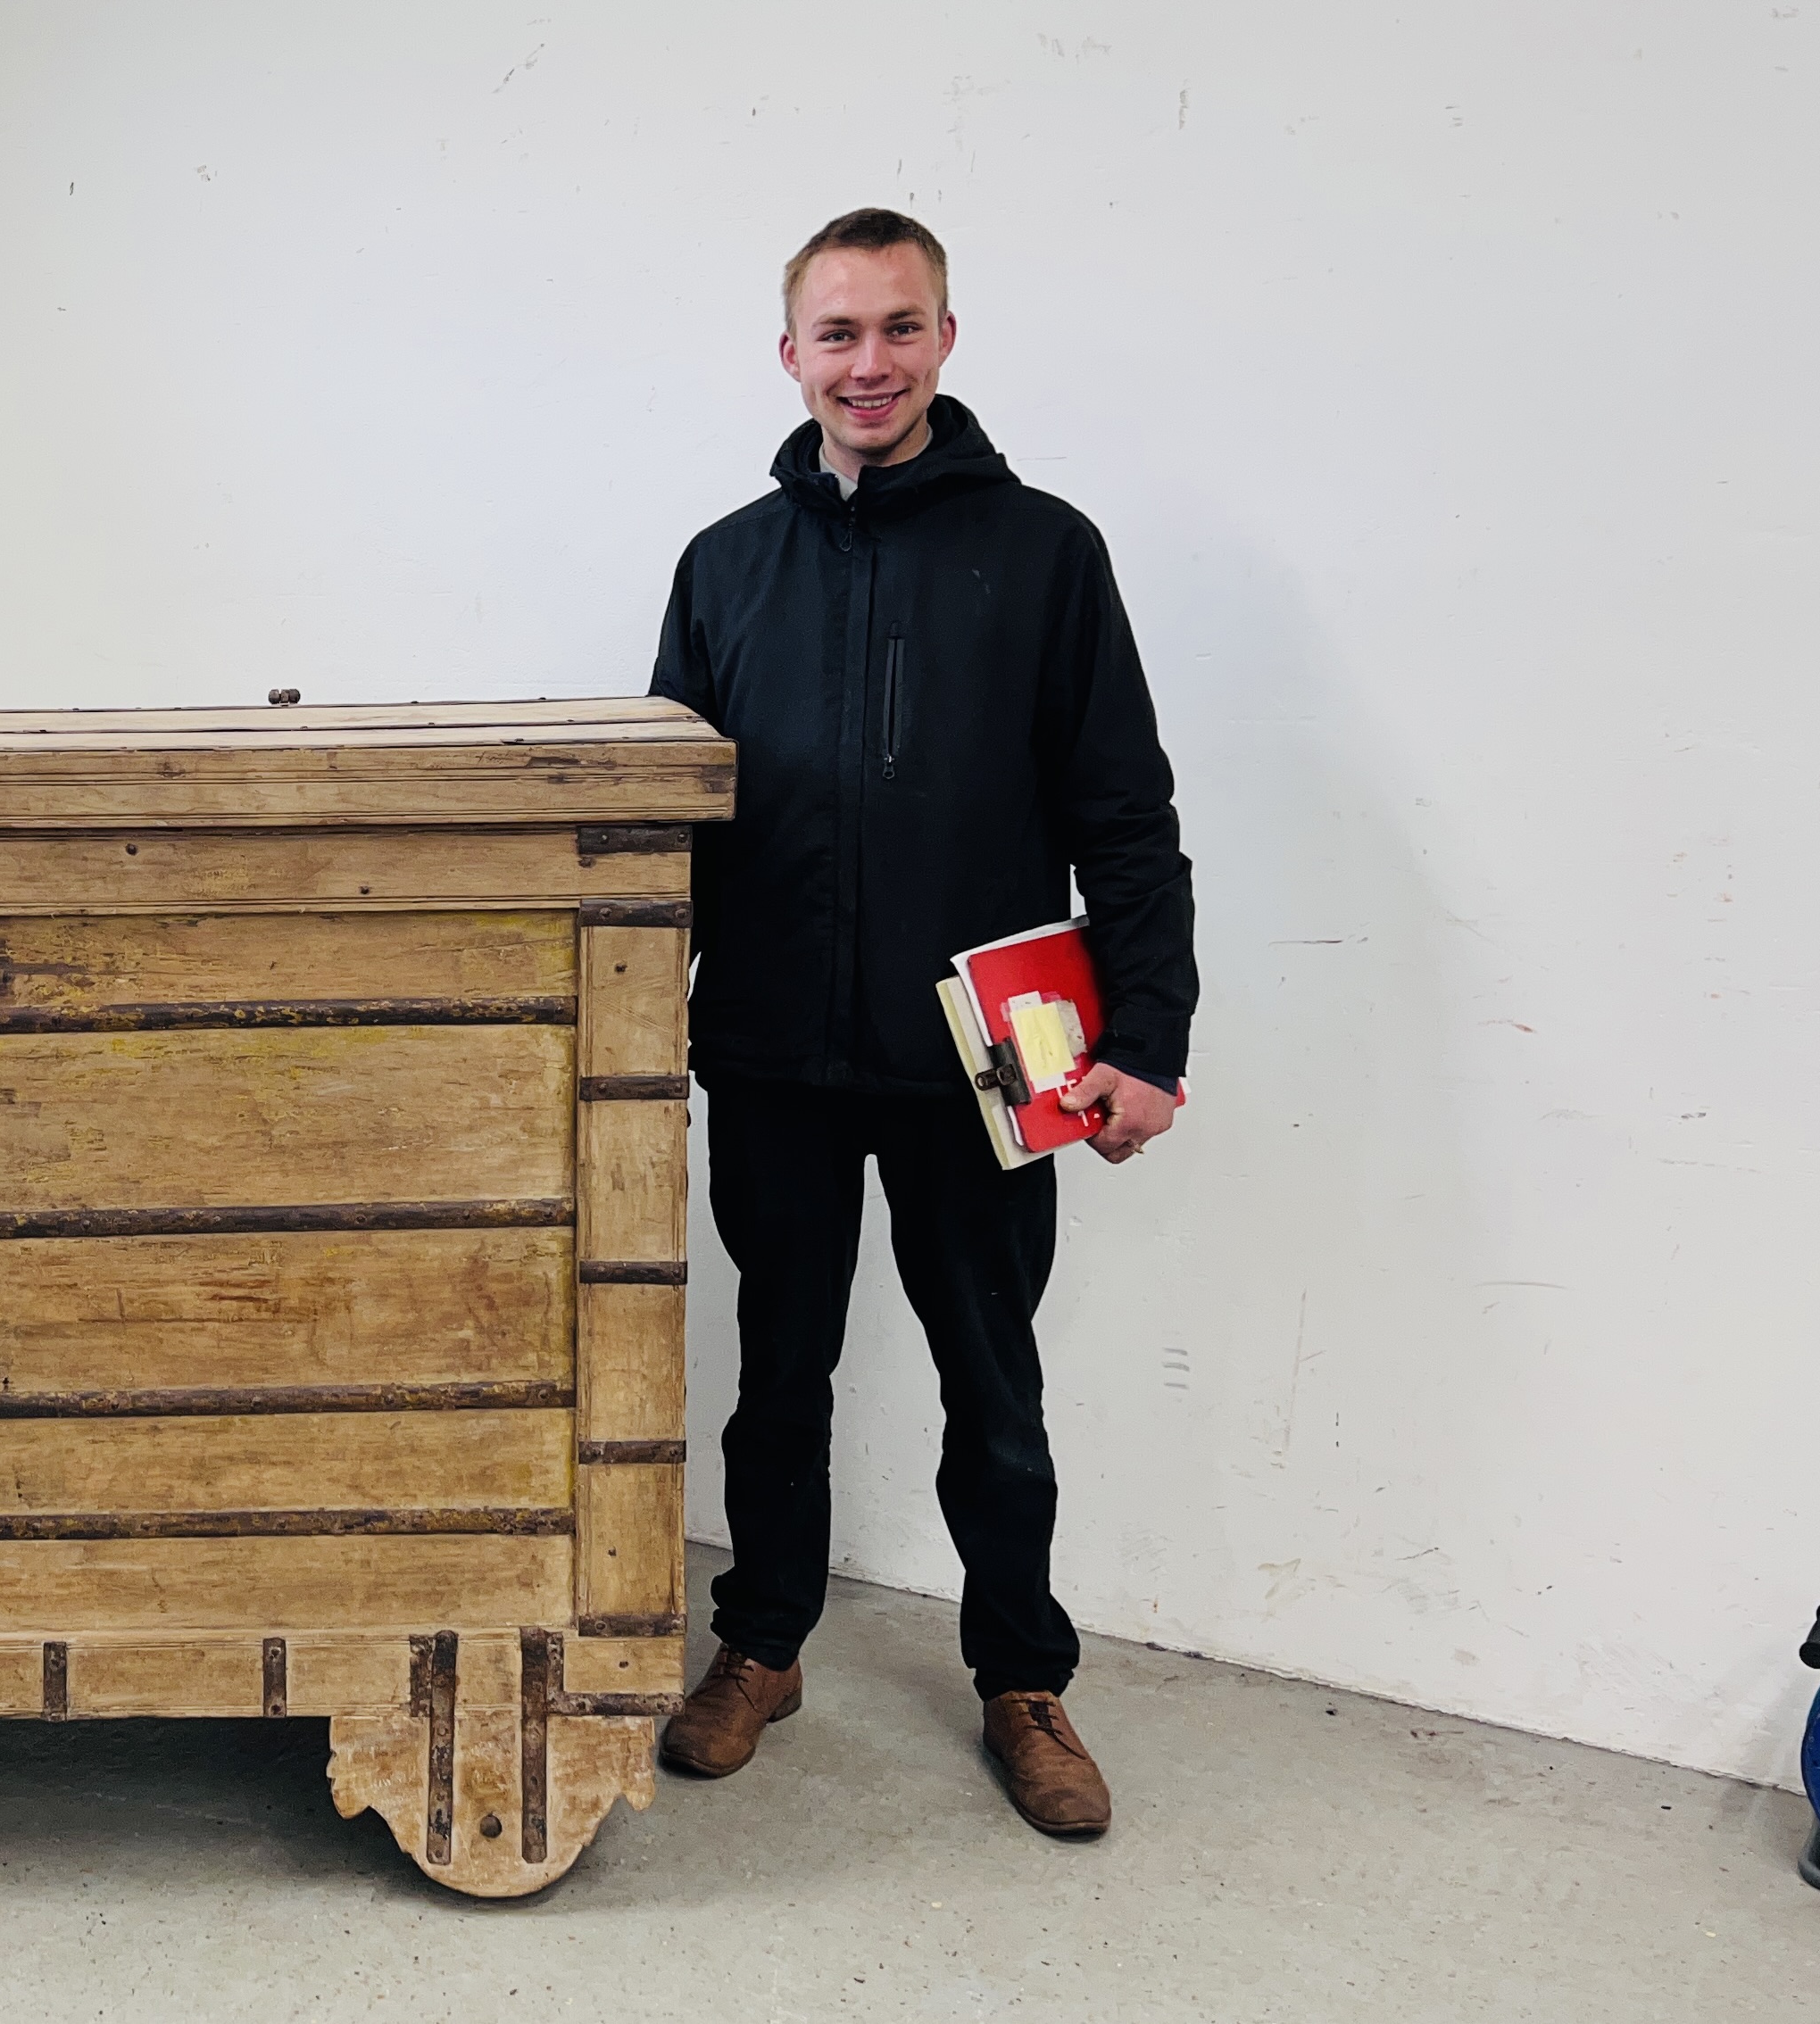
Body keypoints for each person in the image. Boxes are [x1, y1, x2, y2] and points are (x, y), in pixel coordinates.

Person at [645, 208, 1197, 1838]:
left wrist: (1147, 1043)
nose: (868, 362)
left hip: (987, 1063)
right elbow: (669, 825)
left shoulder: (1044, 553)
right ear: (792, 354)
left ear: (947, 339)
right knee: (780, 1371)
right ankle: (761, 1646)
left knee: (990, 1379)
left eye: (900, 328)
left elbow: (1128, 814)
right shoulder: (724, 566)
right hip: (770, 1051)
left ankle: (1023, 1680)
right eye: (839, 333)